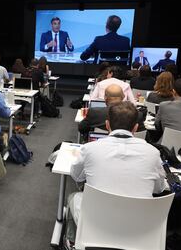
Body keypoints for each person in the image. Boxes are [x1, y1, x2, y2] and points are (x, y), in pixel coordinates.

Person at [66, 101, 166, 246]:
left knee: (74, 197)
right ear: (136, 128)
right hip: (140, 230)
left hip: (96, 226)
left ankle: (74, 242)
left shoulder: (89, 149)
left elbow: (76, 176)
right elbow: (158, 189)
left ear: (107, 125)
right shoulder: (153, 153)